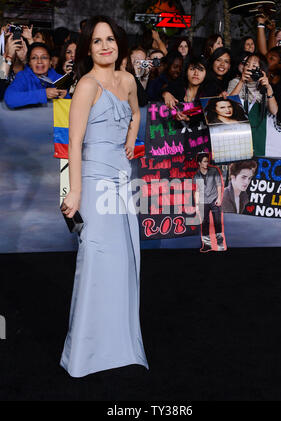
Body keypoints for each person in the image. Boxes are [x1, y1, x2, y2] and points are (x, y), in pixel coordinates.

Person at [60, 15, 149, 377]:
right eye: (97, 41)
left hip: (121, 180)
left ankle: (119, 347)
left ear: (118, 43)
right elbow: (74, 143)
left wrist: (131, 137)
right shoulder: (86, 85)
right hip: (95, 182)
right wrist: (75, 192)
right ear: (88, 48)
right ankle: (84, 355)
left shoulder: (127, 80)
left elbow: (136, 111)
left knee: (125, 263)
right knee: (96, 261)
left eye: (109, 38)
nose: (105, 45)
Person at [228, 53, 278, 156]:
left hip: (258, 134)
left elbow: (274, 111)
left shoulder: (264, 86)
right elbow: (229, 103)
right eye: (247, 64)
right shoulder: (235, 82)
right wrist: (241, 81)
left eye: (254, 66)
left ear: (261, 71)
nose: (249, 68)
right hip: (237, 133)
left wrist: (268, 87)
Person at [4, 42, 68, 108]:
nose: (39, 61)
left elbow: (72, 106)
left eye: (44, 57)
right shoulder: (23, 76)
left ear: (50, 62)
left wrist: (65, 96)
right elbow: (10, 99)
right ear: (29, 63)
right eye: (34, 58)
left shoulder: (60, 79)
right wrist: (44, 94)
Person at [193, 153, 225, 253]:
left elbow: (218, 185)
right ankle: (207, 245)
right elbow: (197, 191)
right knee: (204, 223)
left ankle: (220, 244)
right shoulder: (196, 175)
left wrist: (219, 198)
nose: (207, 163)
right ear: (199, 163)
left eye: (207, 161)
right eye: (204, 161)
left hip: (214, 199)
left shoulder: (214, 171)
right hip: (203, 201)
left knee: (217, 222)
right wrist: (197, 205)